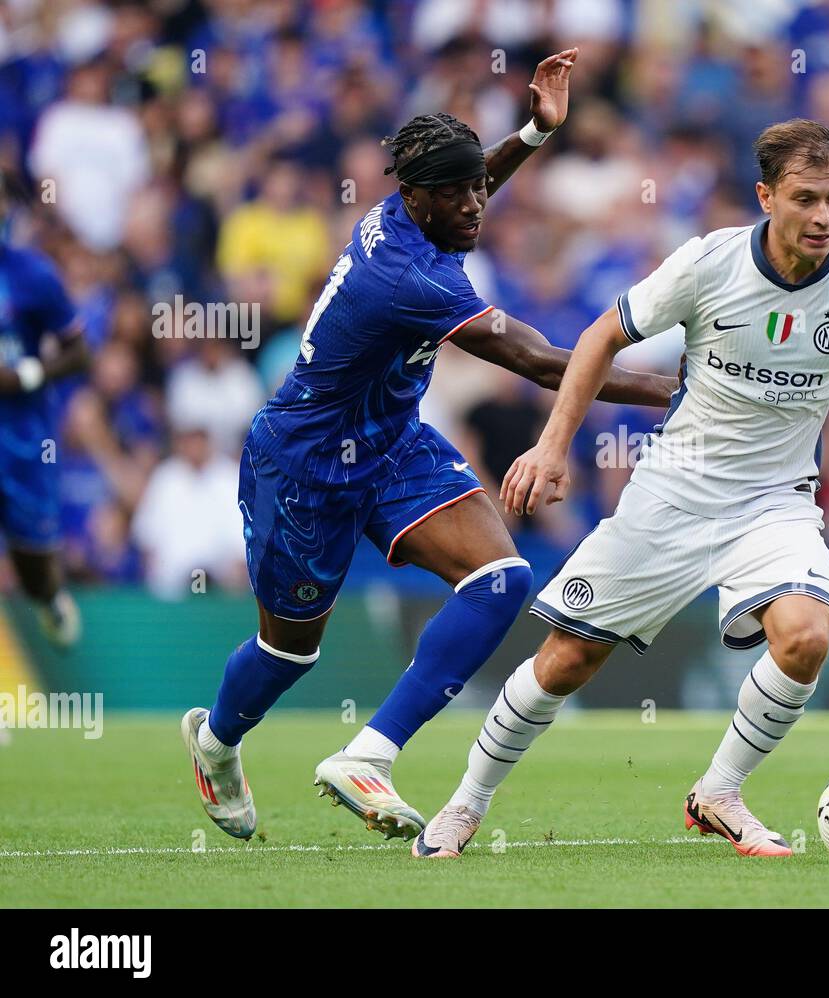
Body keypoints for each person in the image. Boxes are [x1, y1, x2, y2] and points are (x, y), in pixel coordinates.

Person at [181, 49, 679, 842]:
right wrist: (676, 387)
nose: (475, 204)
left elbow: (468, 179)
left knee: (500, 580)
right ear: (415, 198)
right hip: (304, 464)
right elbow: (546, 363)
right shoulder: (412, 278)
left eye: (477, 186)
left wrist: (532, 134)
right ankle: (215, 742)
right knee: (288, 655)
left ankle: (369, 753)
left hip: (391, 443)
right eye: (456, 194)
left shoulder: (415, 213)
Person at [413, 118, 829, 860]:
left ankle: (719, 793)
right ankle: (465, 805)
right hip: (673, 493)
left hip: (776, 501)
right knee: (566, 660)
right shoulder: (708, 264)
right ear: (765, 197)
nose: (823, 217)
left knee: (807, 638)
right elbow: (599, 338)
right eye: (806, 198)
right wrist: (554, 445)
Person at [0, 171, 91, 651]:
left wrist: (25, 374)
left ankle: (50, 597)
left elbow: (80, 352)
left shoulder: (33, 275)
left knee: (33, 568)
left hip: (22, 439)